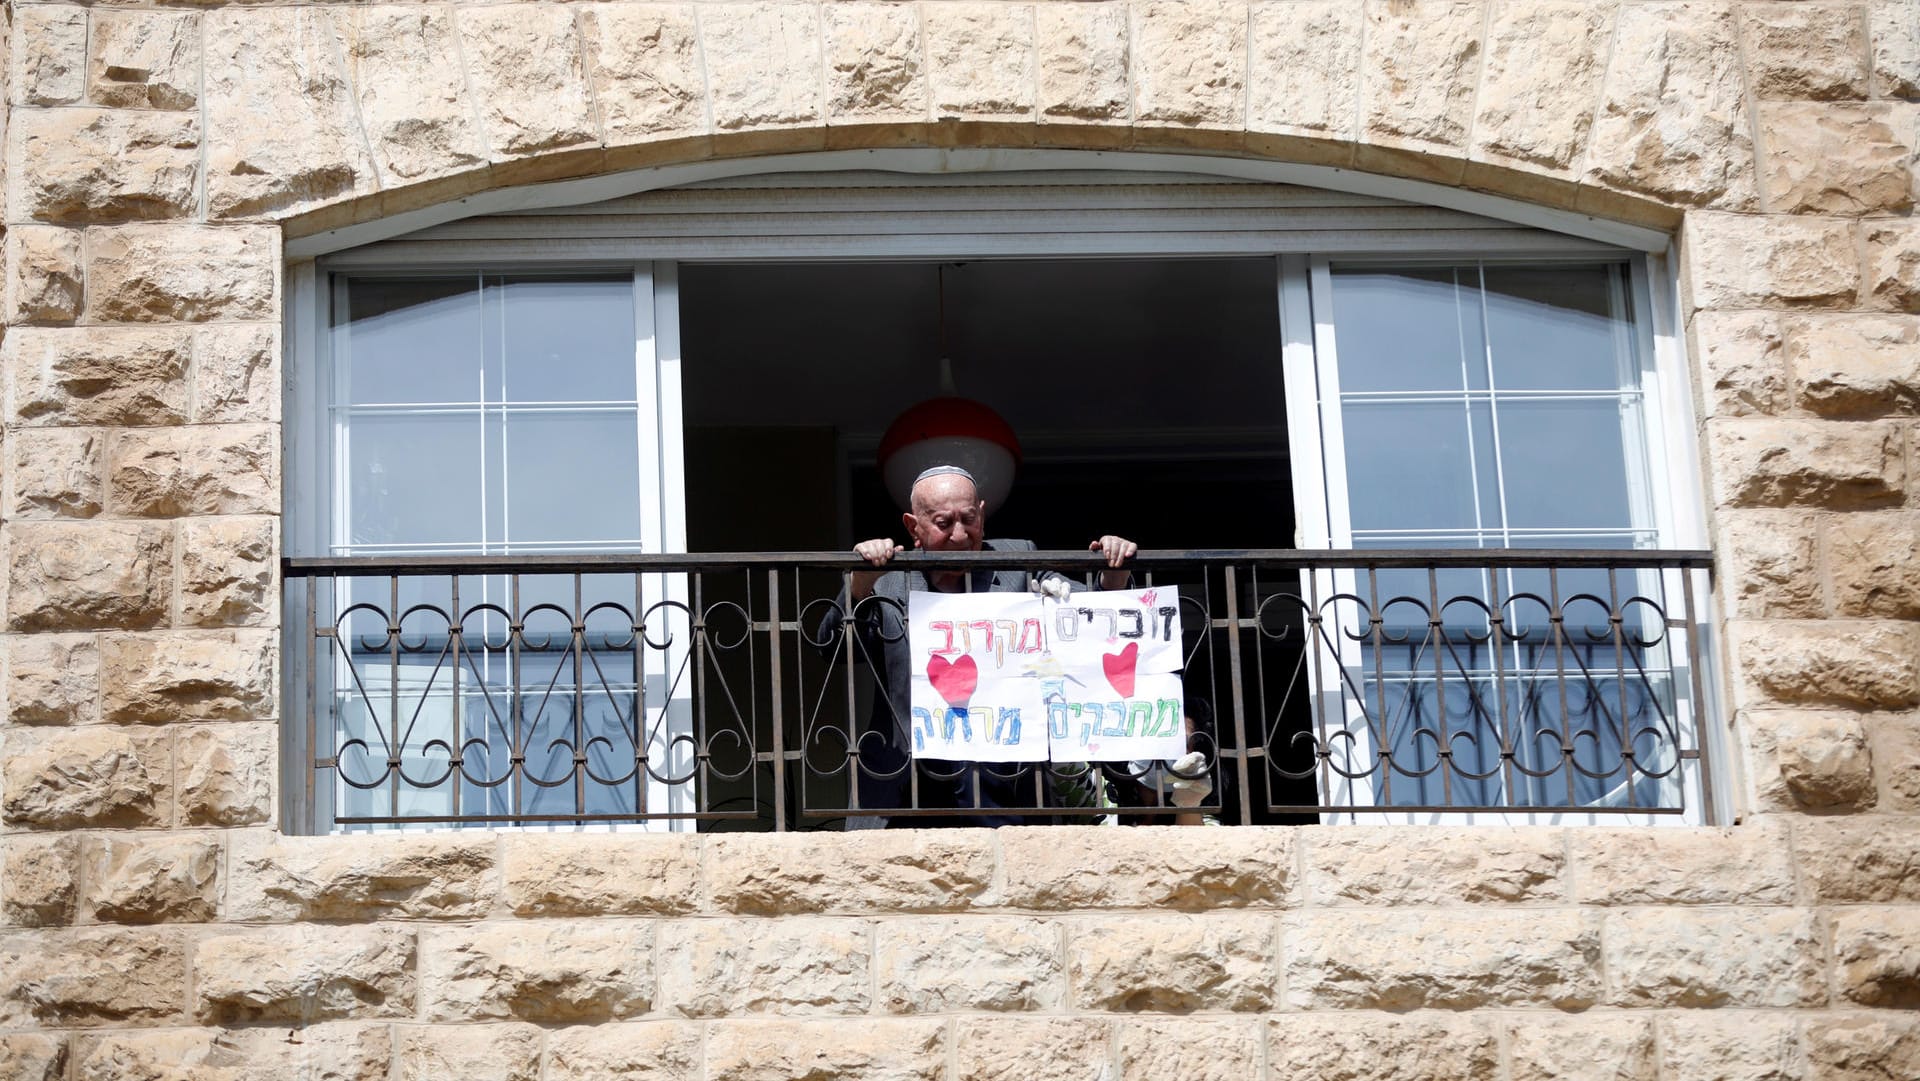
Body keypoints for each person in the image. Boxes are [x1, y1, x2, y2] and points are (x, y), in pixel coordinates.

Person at [828, 464, 1135, 827]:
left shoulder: (1017, 562)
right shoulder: (889, 581)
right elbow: (832, 650)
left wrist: (1113, 576)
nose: (959, 536)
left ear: (983, 515)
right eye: (943, 523)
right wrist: (860, 584)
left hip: (1004, 793)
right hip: (905, 795)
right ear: (913, 527)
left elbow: (1090, 615)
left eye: (969, 519)